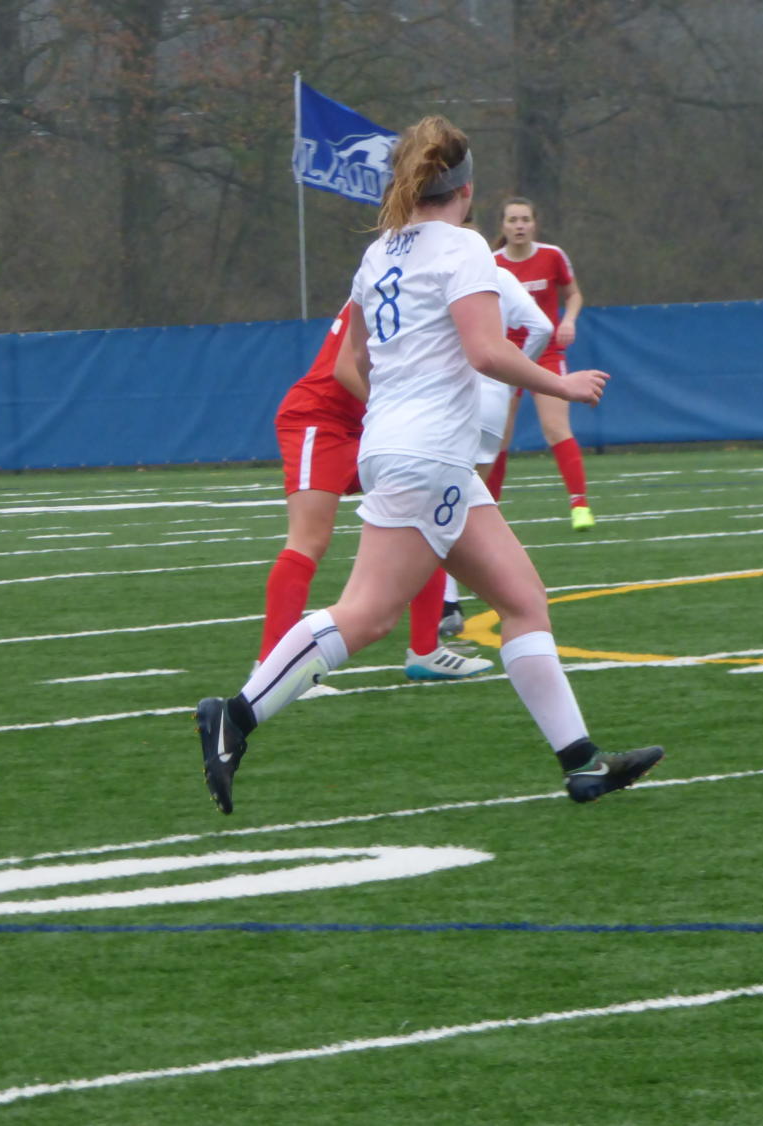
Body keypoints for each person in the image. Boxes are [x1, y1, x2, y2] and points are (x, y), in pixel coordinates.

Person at [196, 115, 663, 814]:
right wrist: (559, 384)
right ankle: (234, 715)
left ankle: (582, 763)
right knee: (366, 615)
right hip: (426, 455)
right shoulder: (463, 248)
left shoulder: (379, 251)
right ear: (466, 188)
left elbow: (350, 362)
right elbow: (483, 350)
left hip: (407, 449)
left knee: (521, 601)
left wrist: (407, 407)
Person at [261, 302, 494, 683]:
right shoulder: (383, 284)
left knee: (425, 515)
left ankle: (425, 651)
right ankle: (271, 669)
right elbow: (344, 367)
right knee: (309, 540)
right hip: (318, 421)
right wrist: (396, 411)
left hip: (367, 428)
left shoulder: (427, 290)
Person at [439, 265, 554, 635]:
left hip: (452, 398)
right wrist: (514, 373)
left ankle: (447, 603)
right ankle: (496, 588)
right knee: (465, 503)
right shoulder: (499, 275)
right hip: (493, 399)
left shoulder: (441, 272)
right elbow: (543, 328)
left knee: (442, 509)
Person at [490, 196, 595, 532]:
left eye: (525, 219)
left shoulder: (552, 256)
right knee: (498, 437)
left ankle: (579, 505)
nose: (519, 226)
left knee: (555, 428)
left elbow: (573, 294)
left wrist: (570, 320)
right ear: (503, 226)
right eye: (512, 220)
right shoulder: (490, 263)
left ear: (534, 223)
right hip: (506, 355)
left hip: (546, 353)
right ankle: (489, 512)